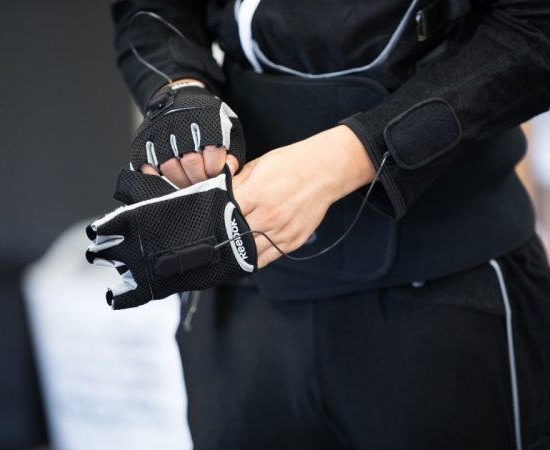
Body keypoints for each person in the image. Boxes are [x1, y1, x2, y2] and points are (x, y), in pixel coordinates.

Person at [109, 1, 550, 449]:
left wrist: (350, 156)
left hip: (446, 290)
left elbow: (536, 28)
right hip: (242, 296)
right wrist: (178, 89)